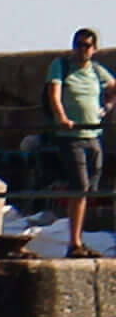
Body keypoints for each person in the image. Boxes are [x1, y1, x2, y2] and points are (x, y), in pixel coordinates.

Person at [59, 29, 112, 243]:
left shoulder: (97, 71)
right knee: (79, 187)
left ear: (94, 49)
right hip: (71, 135)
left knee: (90, 188)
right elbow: (54, 93)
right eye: (79, 45)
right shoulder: (62, 67)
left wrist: (107, 107)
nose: (82, 50)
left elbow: (113, 87)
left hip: (94, 134)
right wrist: (62, 117)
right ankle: (75, 241)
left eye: (87, 46)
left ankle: (79, 236)